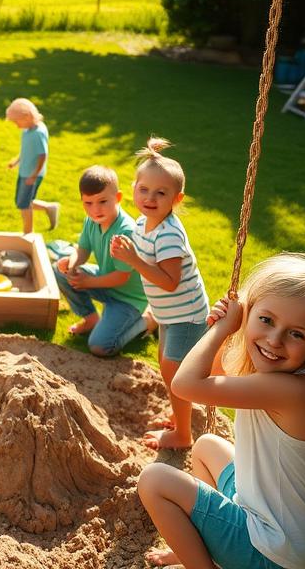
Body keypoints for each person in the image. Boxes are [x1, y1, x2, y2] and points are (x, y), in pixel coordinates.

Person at [138, 253, 305, 569]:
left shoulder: (292, 391)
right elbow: (215, 372)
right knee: (206, 446)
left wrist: (220, 332)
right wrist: (228, 328)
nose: (274, 340)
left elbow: (186, 384)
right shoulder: (282, 379)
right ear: (249, 312)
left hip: (269, 554)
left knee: (154, 480)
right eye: (267, 320)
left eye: (296, 333)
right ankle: (197, 549)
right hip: (273, 531)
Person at [110, 138, 209, 450]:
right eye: (144, 190)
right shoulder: (142, 222)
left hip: (187, 313)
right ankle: (180, 412)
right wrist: (128, 252)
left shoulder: (168, 234)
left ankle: (182, 435)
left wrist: (134, 260)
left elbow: (169, 281)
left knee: (173, 370)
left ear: (176, 199)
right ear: (135, 188)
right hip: (169, 313)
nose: (150, 198)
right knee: (168, 365)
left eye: (161, 193)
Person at [54, 165, 152, 357]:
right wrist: (72, 264)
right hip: (104, 280)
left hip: (128, 299)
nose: (95, 209)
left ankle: (147, 320)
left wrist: (88, 282)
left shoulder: (126, 231)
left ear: (118, 198)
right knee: (60, 271)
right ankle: (91, 319)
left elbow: (122, 277)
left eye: (102, 201)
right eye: (88, 203)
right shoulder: (92, 221)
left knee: (100, 347)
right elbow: (82, 249)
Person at [5, 98, 58, 234]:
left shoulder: (38, 133)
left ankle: (28, 233)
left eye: (17, 121)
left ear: (27, 116)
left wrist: (34, 175)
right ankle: (49, 208)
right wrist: (16, 161)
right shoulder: (27, 130)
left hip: (32, 174)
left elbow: (42, 155)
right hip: (25, 172)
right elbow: (26, 150)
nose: (16, 125)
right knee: (22, 201)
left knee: (24, 204)